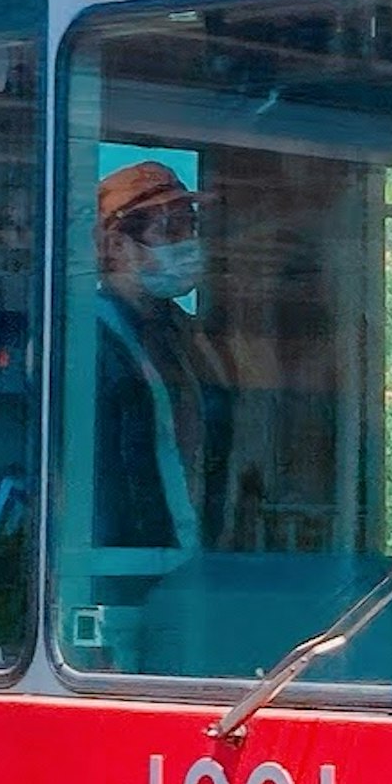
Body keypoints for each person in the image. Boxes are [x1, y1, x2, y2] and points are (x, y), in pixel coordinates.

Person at [90, 160, 236, 555]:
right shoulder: (89, 341)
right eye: (170, 230)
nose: (188, 243)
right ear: (118, 245)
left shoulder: (188, 338)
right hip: (123, 567)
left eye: (191, 227)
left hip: (193, 561)